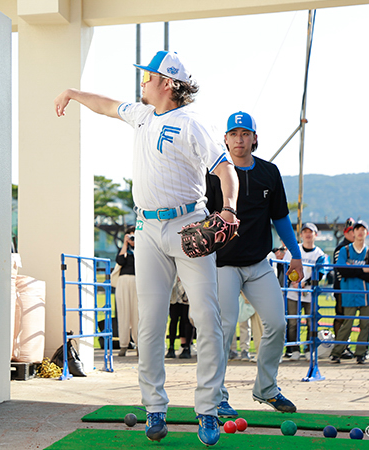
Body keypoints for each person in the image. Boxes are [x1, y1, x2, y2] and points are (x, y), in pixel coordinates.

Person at [54, 50, 239, 445]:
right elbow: (106, 105)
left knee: (207, 318)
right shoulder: (142, 114)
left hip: (189, 224)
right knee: (149, 323)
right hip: (147, 228)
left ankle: (208, 409)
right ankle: (155, 406)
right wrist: (72, 92)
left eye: (147, 76)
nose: (142, 81)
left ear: (167, 83)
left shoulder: (192, 123)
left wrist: (228, 208)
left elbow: (225, 169)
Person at [206, 111, 304, 419]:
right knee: (224, 329)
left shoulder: (269, 172)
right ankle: (216, 397)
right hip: (223, 265)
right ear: (225, 139)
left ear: (254, 138)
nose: (239, 139)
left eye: (245, 133)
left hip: (259, 264)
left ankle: (266, 388)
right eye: (234, 134)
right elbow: (202, 217)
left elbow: (281, 218)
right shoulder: (213, 174)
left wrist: (296, 254)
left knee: (277, 323)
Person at [329, 220, 369, 364]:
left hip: (366, 295)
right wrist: (363, 270)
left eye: (363, 229)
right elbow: (342, 270)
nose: (360, 232)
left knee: (365, 325)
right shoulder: (345, 250)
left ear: (367, 233)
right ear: (353, 232)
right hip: (349, 293)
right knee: (347, 324)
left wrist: (352, 269)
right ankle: (336, 353)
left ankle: (361, 354)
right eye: (357, 229)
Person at [283, 223, 329, 361]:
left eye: (311, 232)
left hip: (310, 293)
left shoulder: (319, 253)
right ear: (301, 234)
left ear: (316, 235)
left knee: (311, 322)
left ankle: (309, 349)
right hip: (293, 292)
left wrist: (305, 283)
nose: (308, 234)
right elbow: (285, 267)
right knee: (292, 322)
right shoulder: (294, 250)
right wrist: (292, 281)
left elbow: (320, 273)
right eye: (305, 232)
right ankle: (294, 349)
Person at [332, 218, 357, 360]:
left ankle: (344, 345)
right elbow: (339, 271)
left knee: (348, 317)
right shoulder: (341, 248)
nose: (354, 234)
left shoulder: (355, 248)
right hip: (342, 287)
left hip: (351, 286)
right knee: (341, 315)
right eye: (351, 231)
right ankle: (340, 346)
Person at [115, 226, 138, 357]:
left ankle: (139, 344)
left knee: (137, 314)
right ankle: (123, 344)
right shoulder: (124, 250)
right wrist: (125, 244)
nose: (132, 238)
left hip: (137, 281)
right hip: (123, 281)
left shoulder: (142, 249)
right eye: (130, 236)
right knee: (123, 313)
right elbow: (120, 261)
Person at [167, 276, 193, 359]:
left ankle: (187, 348)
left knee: (186, 319)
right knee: (173, 320)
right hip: (175, 288)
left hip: (186, 288)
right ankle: (171, 347)